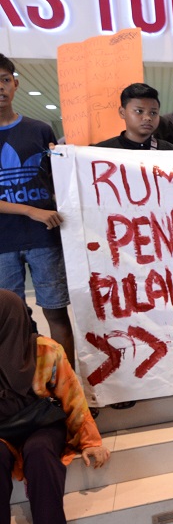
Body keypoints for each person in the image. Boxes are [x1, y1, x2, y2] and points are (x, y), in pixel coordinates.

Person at [0, 290, 111, 524]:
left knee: (38, 451)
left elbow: (73, 399)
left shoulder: (45, 351)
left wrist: (90, 441)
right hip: (1, 432)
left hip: (41, 424)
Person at [0, 54, 75, 365]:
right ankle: (26, 388)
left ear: (16, 83)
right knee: (13, 319)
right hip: (4, 243)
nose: (0, 87)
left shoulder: (40, 129)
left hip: (45, 238)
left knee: (56, 311)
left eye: (5, 80)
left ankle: (68, 385)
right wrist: (31, 211)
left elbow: (56, 179)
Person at [95, 83, 173, 151]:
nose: (147, 118)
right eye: (139, 111)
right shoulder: (102, 152)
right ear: (122, 112)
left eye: (153, 113)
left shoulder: (169, 152)